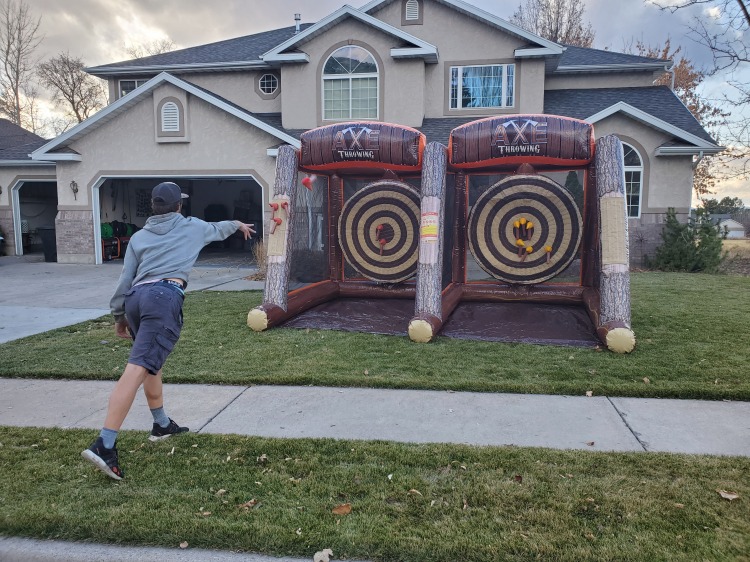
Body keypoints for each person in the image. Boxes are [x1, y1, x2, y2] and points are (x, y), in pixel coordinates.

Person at [82, 181, 255, 480]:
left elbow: (126, 278)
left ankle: (161, 424)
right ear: (179, 206)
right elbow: (219, 228)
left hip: (136, 299)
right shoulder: (192, 226)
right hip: (163, 298)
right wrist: (238, 224)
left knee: (152, 364)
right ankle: (104, 444)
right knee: (138, 367)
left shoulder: (139, 237)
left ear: (154, 207)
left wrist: (119, 316)